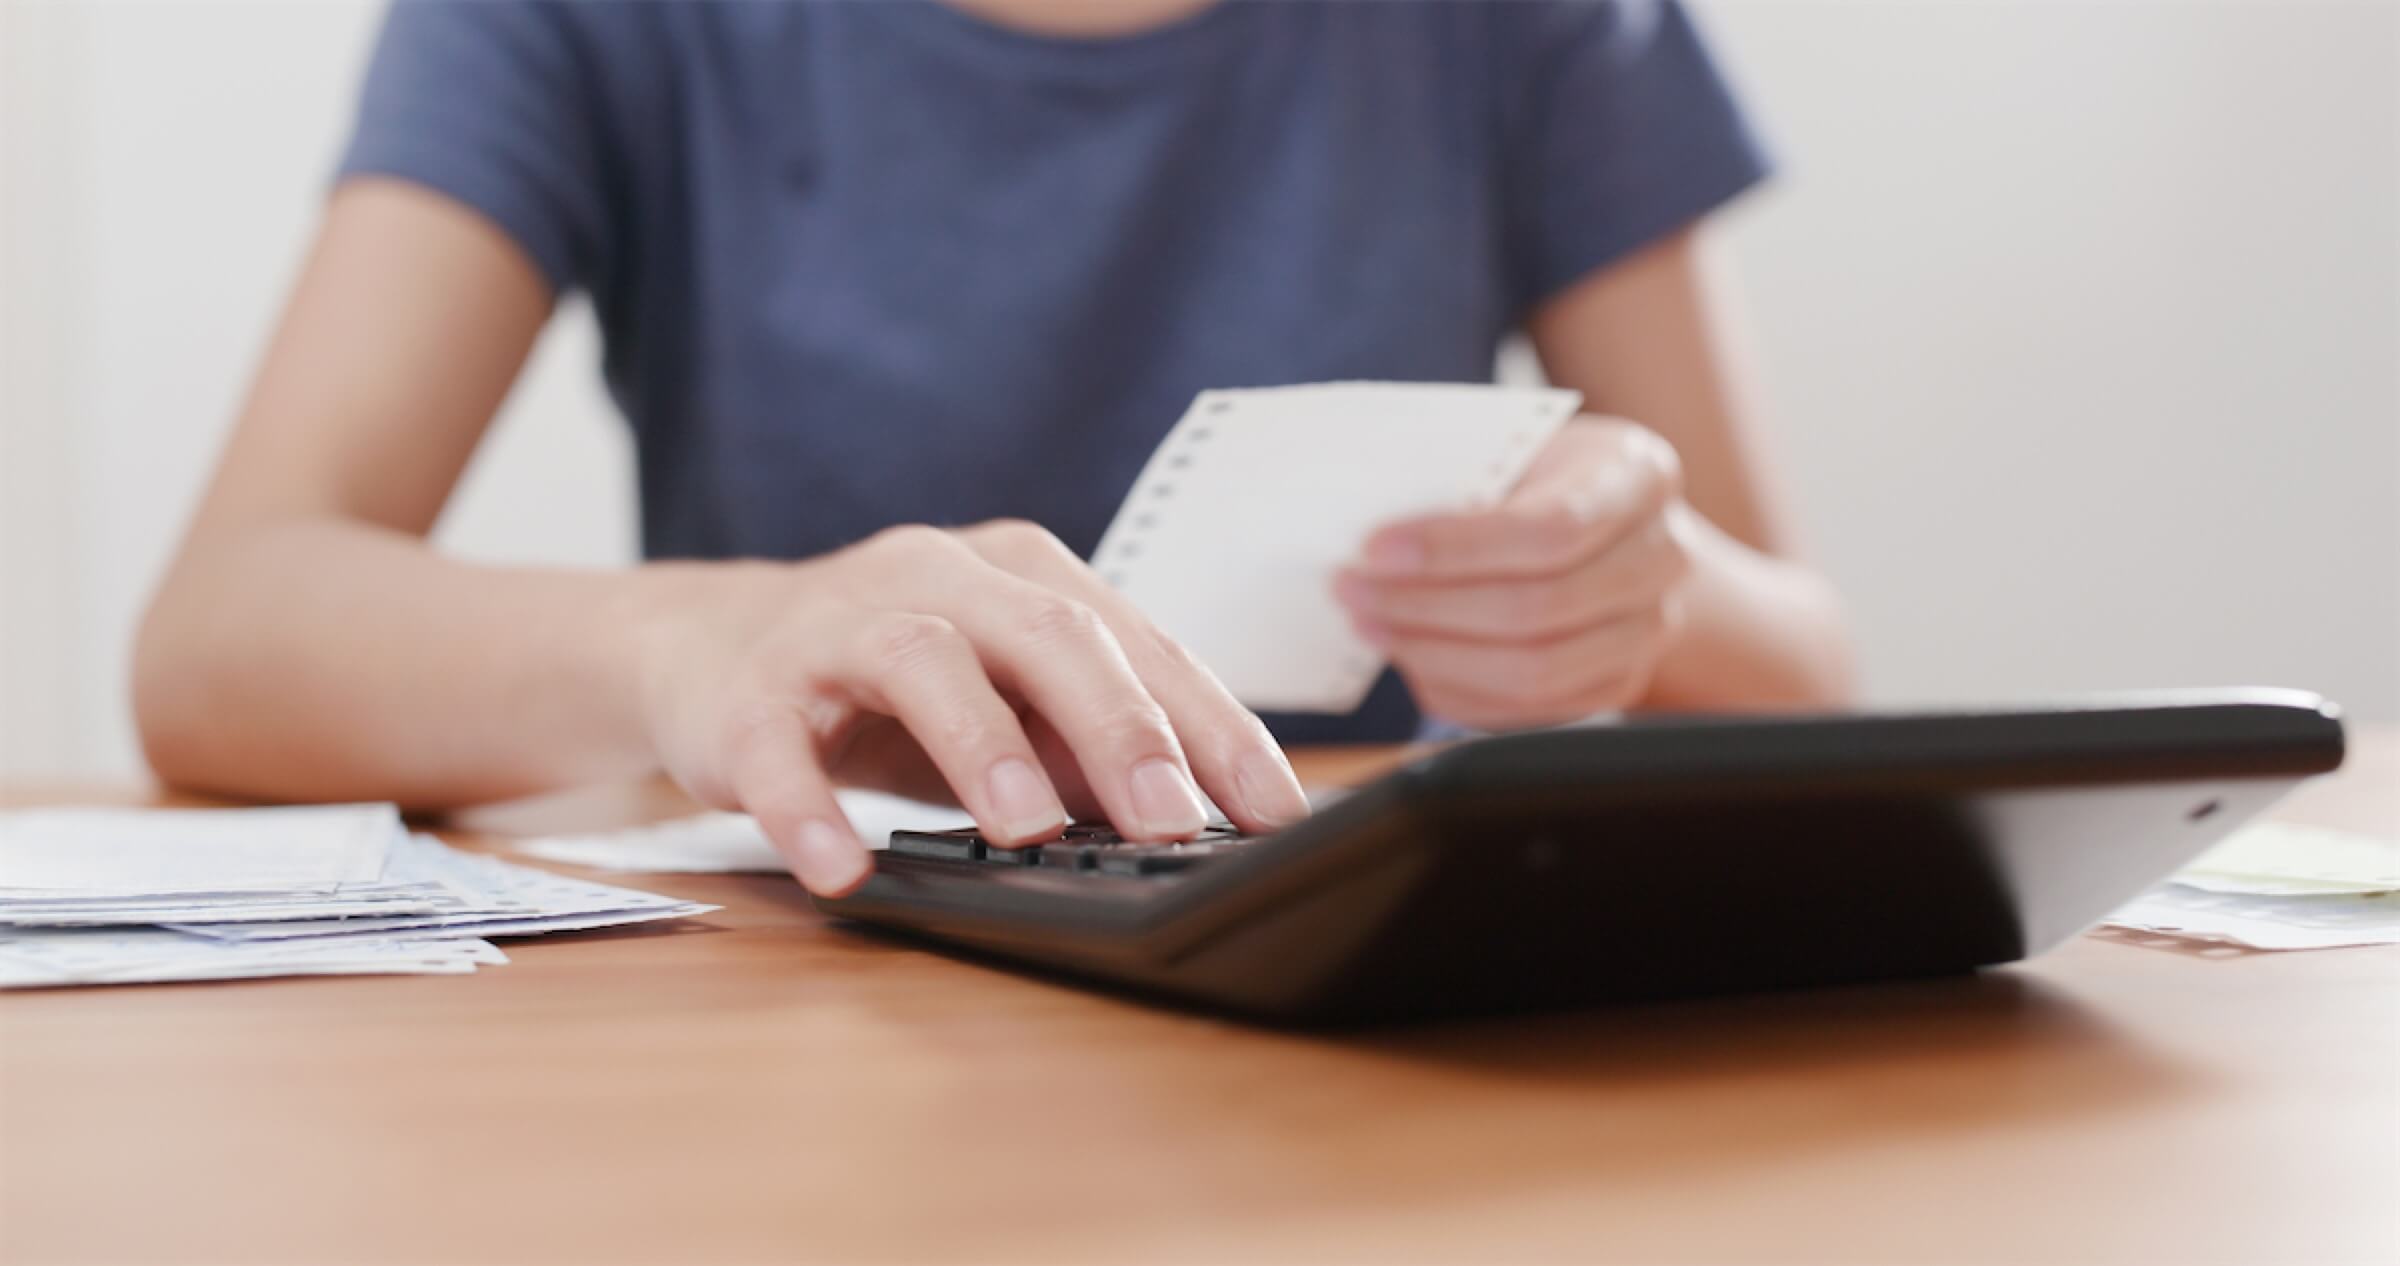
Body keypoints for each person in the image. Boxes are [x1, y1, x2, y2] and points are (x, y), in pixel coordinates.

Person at [134, 0, 1853, 897]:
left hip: (1370, 1036)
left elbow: (1810, 680)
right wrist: (693, 640)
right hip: (826, 1009)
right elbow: (227, 628)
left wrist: (1643, 583)